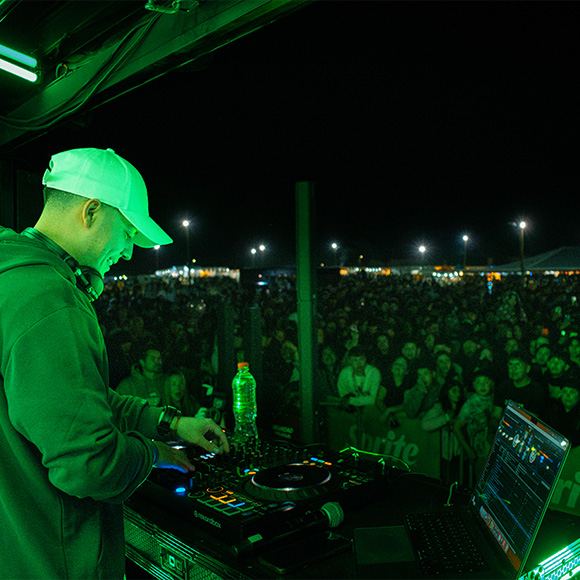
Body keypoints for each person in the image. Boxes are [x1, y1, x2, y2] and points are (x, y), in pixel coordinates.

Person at [0, 148, 229, 580]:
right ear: (91, 211)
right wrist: (155, 454)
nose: (127, 254)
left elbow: (70, 398)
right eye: (126, 233)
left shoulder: (11, 277)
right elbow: (89, 465)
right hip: (53, 560)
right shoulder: (50, 299)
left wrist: (171, 424)